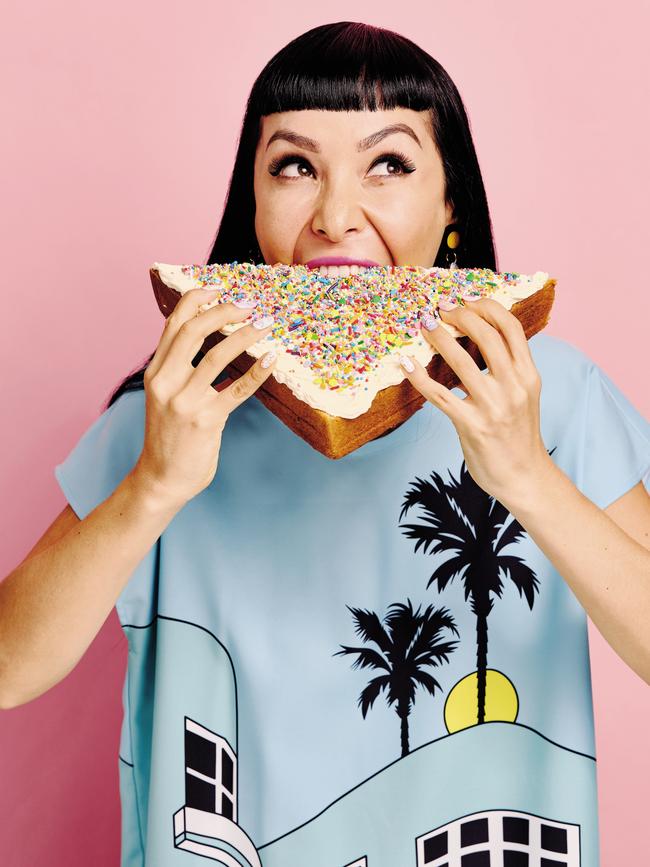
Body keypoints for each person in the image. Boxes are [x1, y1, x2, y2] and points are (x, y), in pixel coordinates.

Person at [2, 20, 649, 867]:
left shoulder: (551, 395)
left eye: (389, 163)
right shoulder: (173, 409)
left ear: (452, 204)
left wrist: (529, 477)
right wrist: (154, 484)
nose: (336, 215)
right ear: (254, 205)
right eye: (295, 166)